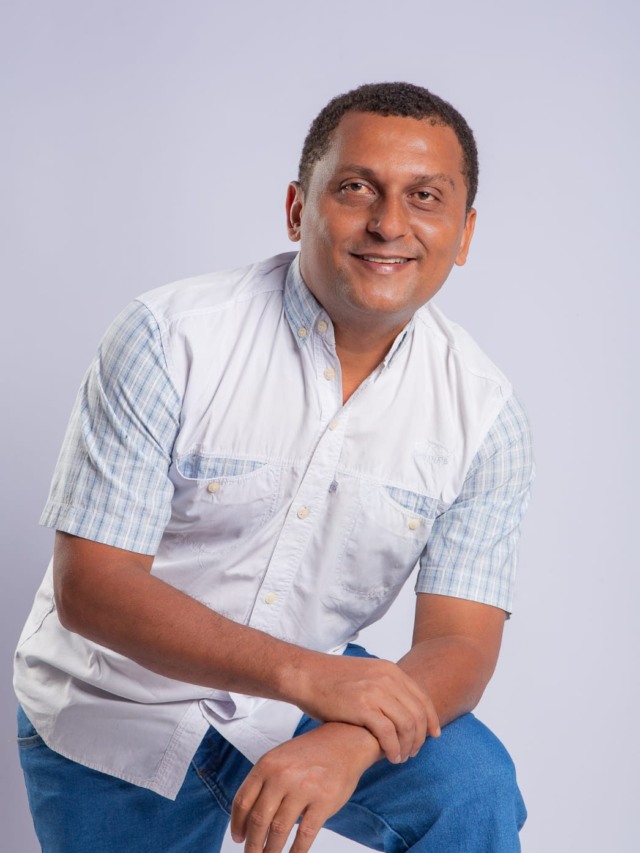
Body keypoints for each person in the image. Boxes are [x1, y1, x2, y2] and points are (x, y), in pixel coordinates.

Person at [14, 81, 534, 853]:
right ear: (298, 208)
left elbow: (460, 643)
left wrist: (352, 738)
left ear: (464, 233)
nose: (390, 223)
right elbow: (94, 586)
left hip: (304, 698)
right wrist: (311, 678)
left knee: (471, 783)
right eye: (356, 188)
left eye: (425, 196)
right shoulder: (170, 338)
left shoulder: (484, 414)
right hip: (115, 706)